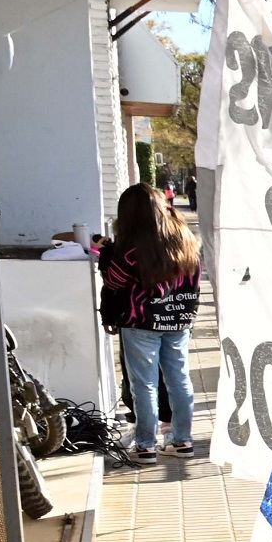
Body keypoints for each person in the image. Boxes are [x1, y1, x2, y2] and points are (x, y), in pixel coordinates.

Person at [98, 184, 199, 464]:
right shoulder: (184, 238)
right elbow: (193, 278)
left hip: (141, 322)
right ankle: (182, 440)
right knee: (179, 379)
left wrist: (107, 253)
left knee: (144, 385)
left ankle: (145, 445)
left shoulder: (133, 247)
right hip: (177, 320)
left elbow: (114, 281)